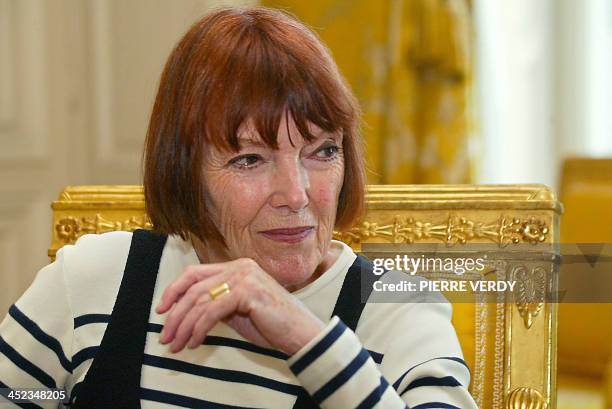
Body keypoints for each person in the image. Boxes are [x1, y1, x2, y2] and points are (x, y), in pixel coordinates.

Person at [0, 7, 477, 409]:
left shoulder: (397, 310)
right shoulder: (93, 280)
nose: (296, 194)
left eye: (323, 151)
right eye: (249, 158)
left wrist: (305, 337)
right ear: (185, 168)